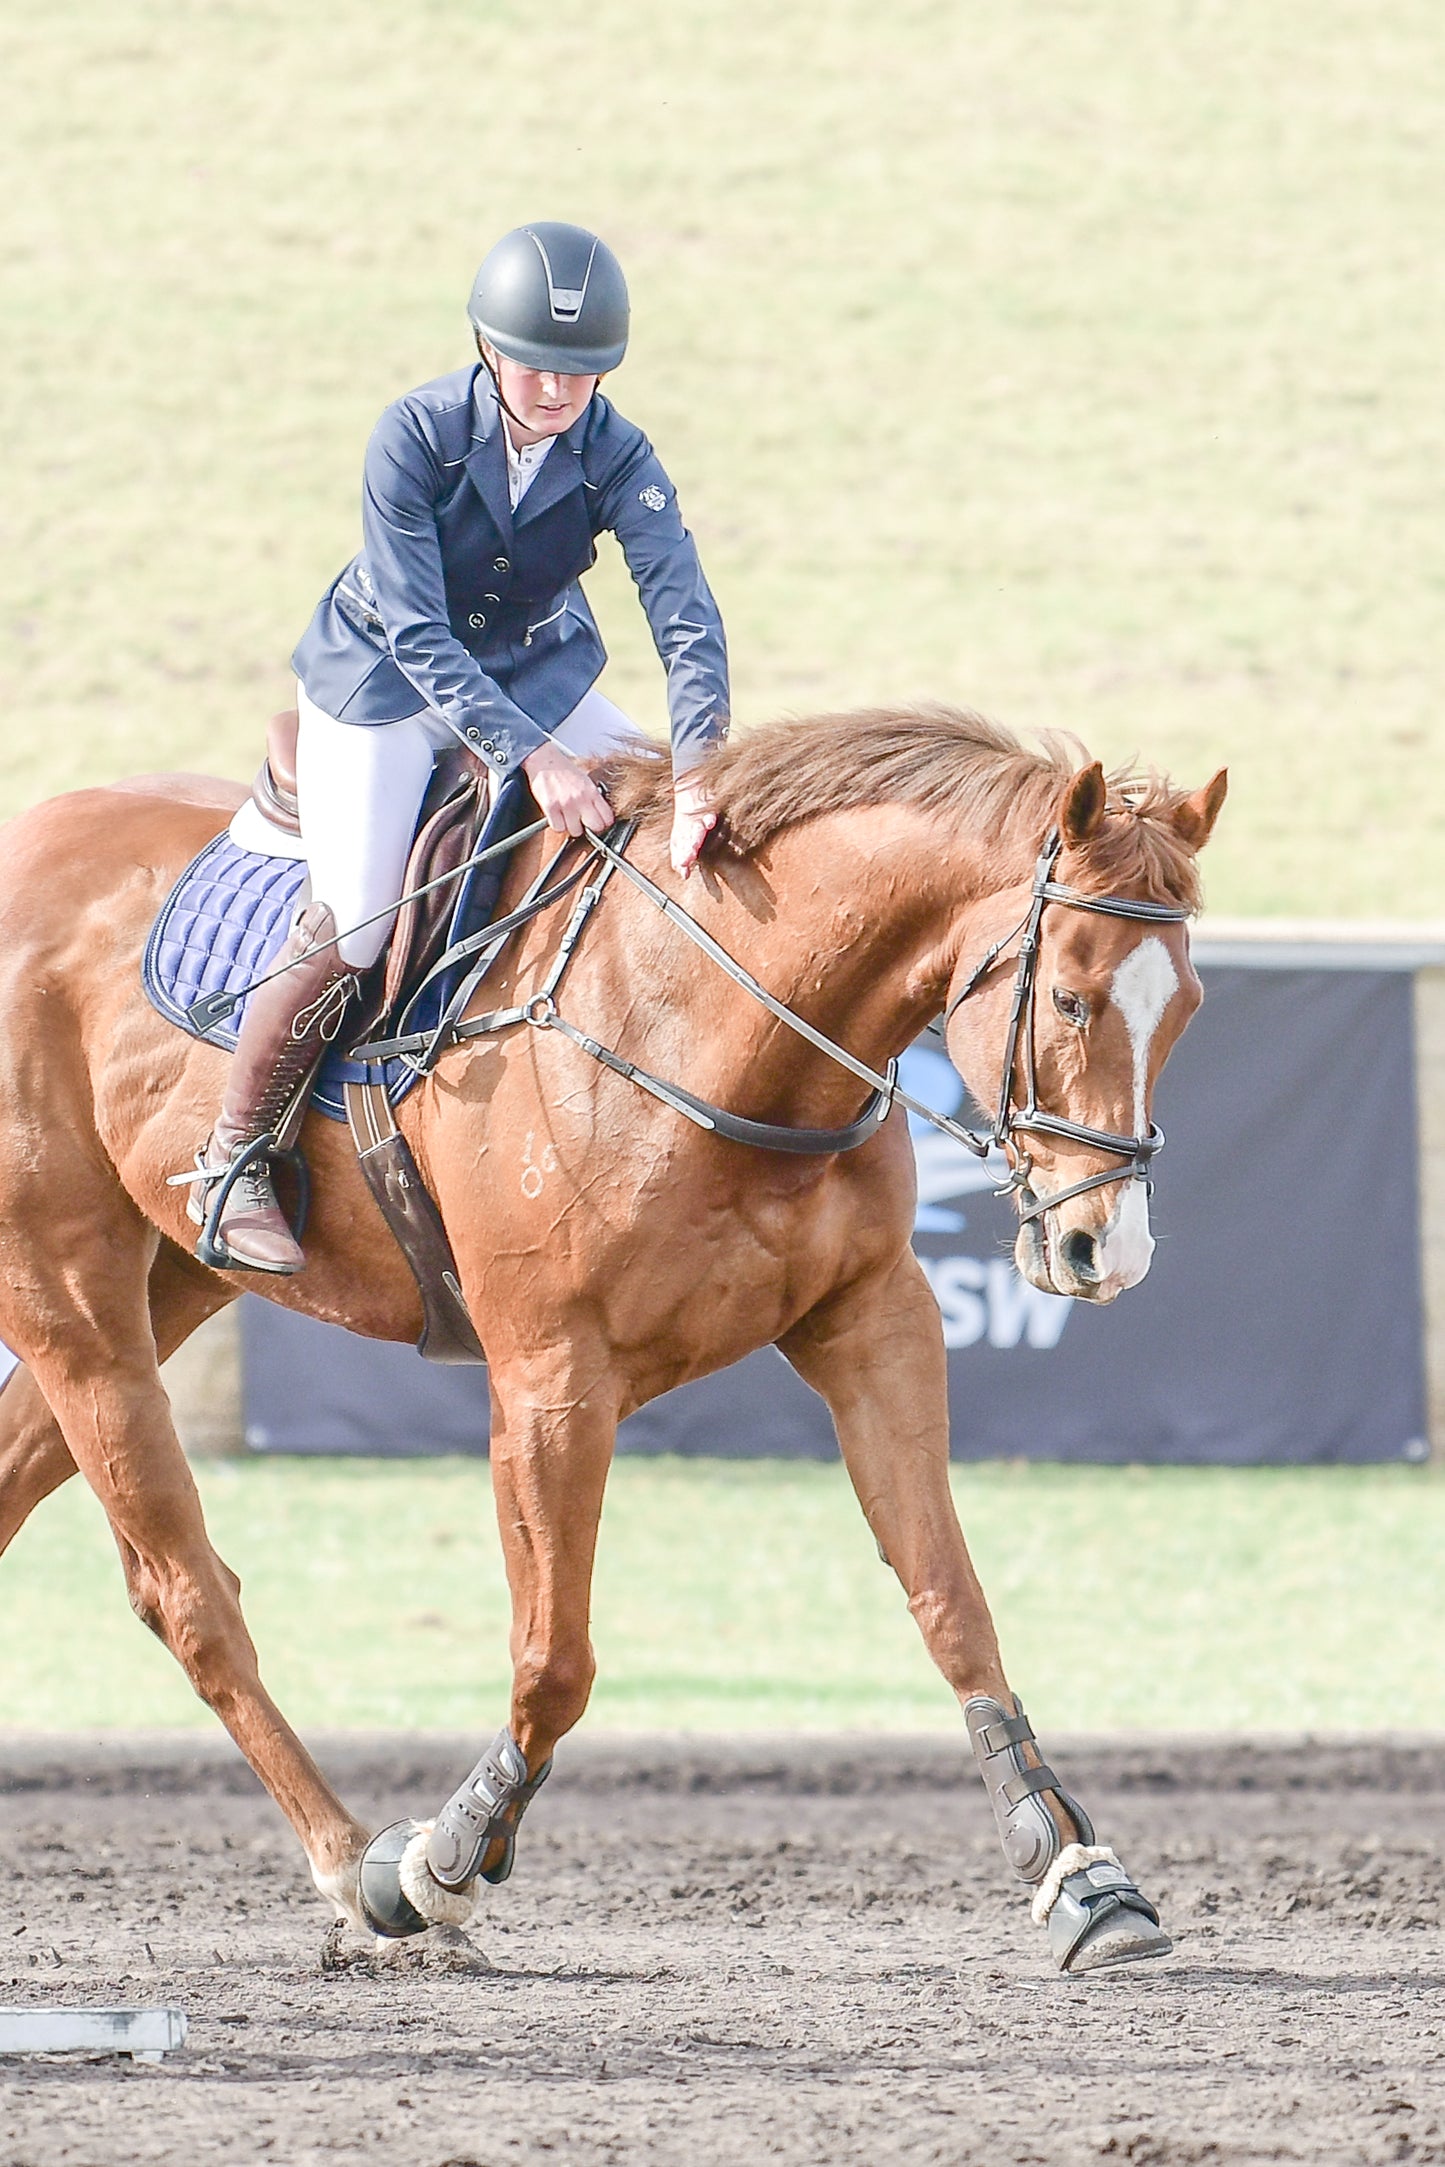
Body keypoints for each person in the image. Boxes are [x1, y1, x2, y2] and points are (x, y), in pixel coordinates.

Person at [186, 222, 730, 1275]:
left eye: (580, 373)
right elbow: (418, 628)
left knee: (664, 820)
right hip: (382, 680)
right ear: (488, 347)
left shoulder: (618, 451)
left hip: (535, 668)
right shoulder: (415, 433)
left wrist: (702, 763)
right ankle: (233, 1155)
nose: (555, 391)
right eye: (534, 364)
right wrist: (530, 754)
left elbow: (686, 613)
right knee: (356, 918)